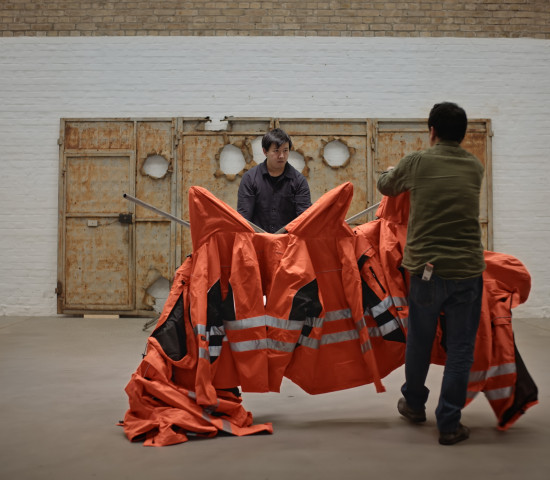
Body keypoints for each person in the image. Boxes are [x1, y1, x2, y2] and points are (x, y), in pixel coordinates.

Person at [377, 102, 486, 445]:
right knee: (460, 348)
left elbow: (386, 186)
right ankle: (450, 423)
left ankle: (413, 404)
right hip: (467, 269)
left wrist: (395, 170)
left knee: (420, 340)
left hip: (425, 269)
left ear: (432, 131)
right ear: (463, 134)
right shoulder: (474, 166)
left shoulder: (417, 162)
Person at [237, 128, 311, 233]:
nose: (281, 156)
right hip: (257, 241)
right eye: (276, 151)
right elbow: (244, 218)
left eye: (285, 150)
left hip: (288, 243)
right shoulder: (250, 178)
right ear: (265, 151)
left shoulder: (299, 181)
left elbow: (304, 219)